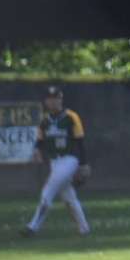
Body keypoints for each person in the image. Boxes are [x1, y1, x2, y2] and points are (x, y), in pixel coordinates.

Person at [22, 85, 90, 237]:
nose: (51, 102)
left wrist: (83, 165)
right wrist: (36, 150)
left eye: (55, 98)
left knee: (47, 193)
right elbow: (39, 141)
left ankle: (33, 227)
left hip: (69, 160)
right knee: (69, 198)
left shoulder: (71, 117)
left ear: (61, 100)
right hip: (54, 162)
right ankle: (84, 228)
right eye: (48, 99)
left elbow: (80, 142)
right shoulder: (44, 120)